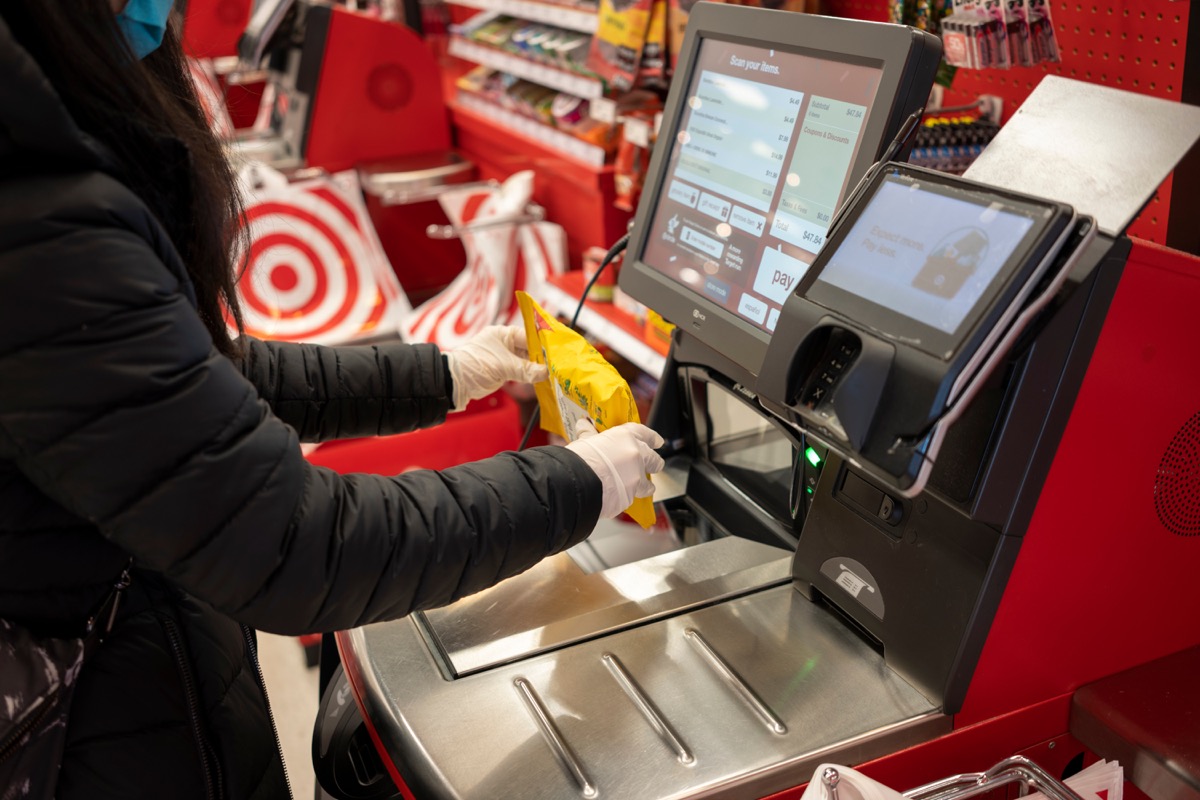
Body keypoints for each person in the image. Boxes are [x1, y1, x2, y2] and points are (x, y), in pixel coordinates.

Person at [0, 2, 665, 798]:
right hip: (95, 734)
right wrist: (577, 480)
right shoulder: (33, 217)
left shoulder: (48, 151)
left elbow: (183, 385)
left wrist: (439, 372)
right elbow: (295, 545)